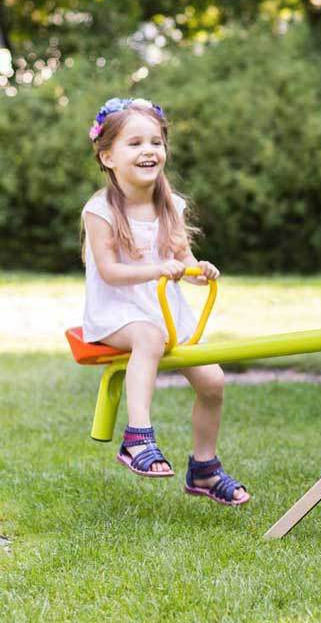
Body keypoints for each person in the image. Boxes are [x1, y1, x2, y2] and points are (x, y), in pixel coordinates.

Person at [81, 97, 250, 505]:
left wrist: (197, 270)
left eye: (156, 142)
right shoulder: (100, 209)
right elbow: (109, 272)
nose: (148, 151)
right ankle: (137, 437)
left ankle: (205, 468)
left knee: (213, 380)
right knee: (150, 338)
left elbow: (182, 261)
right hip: (118, 315)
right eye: (135, 143)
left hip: (164, 314)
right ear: (107, 156)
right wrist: (158, 270)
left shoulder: (171, 206)